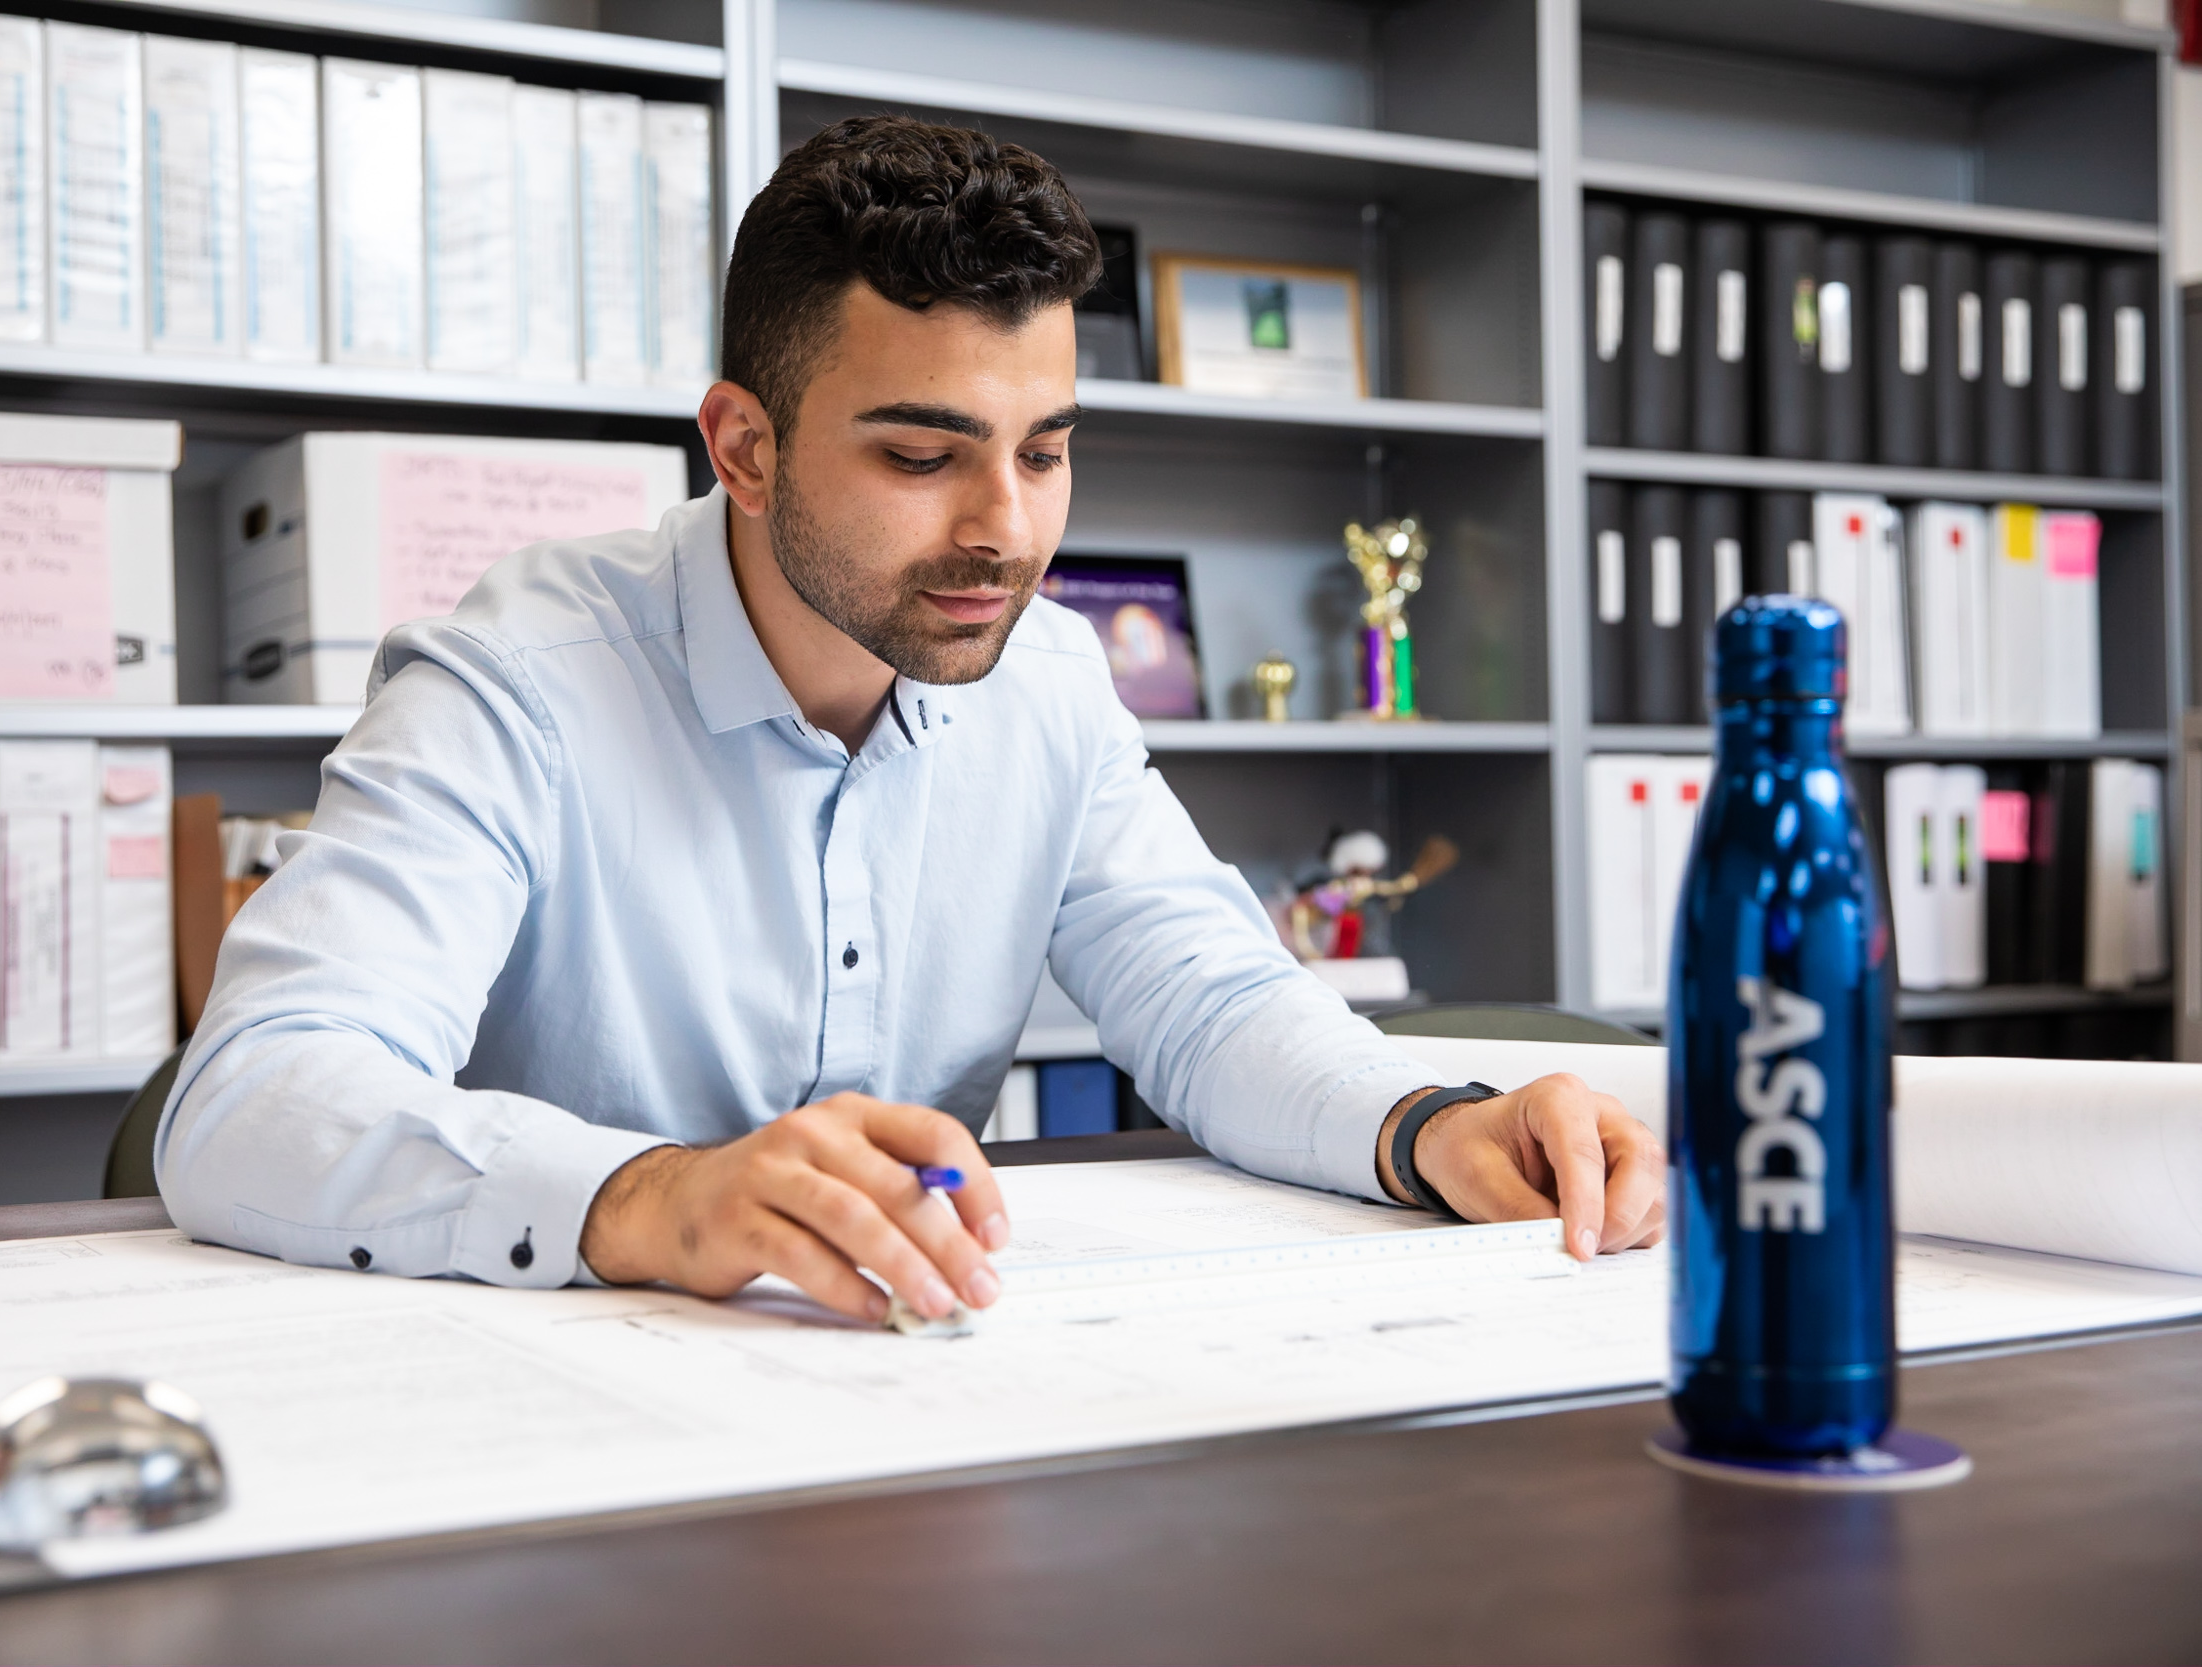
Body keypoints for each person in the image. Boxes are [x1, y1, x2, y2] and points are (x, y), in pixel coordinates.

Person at [158, 115, 1665, 1327]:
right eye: (922, 455)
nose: (1004, 532)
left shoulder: (1051, 678)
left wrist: (1425, 1125)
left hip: (899, 1403)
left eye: (1045, 451)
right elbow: (254, 1098)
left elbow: (1212, 1007)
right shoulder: (516, 679)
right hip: (539, 1409)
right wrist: (654, 1195)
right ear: (744, 447)